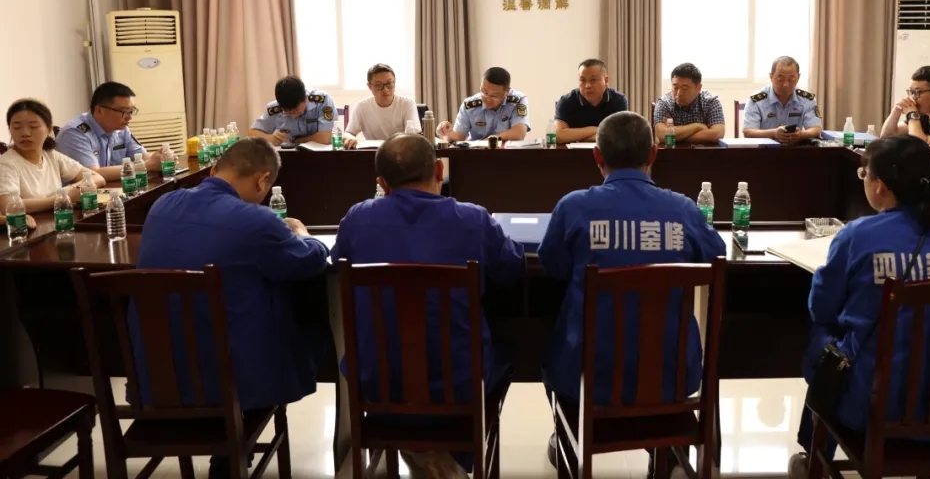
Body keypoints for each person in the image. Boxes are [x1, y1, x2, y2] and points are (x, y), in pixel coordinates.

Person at [538, 111, 726, 474]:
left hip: (590, 377)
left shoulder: (574, 206)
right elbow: (715, 256)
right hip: (672, 377)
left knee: (551, 345)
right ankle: (666, 449)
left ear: (597, 155)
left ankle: (569, 436)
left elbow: (554, 266)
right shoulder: (683, 209)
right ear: (653, 153)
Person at [132, 138, 330, 479]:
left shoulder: (163, 204)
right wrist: (301, 232)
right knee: (298, 312)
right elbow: (307, 262)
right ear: (262, 181)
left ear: (214, 170)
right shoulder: (256, 220)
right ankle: (231, 454)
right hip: (230, 383)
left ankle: (227, 456)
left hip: (159, 377)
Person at [332, 133, 525, 478]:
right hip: (458, 388)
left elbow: (336, 262)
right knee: (511, 345)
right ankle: (452, 453)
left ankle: (413, 449)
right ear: (439, 170)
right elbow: (512, 268)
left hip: (377, 386)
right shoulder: (473, 219)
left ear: (382, 184)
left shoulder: (357, 219)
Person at [788, 134, 930, 478]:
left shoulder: (857, 235)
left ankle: (814, 455)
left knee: (823, 338)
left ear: (880, 186)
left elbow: (822, 309)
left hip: (872, 406)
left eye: (865, 173)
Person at [0, 99, 105, 225]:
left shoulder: (50, 155)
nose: (25, 133)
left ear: (48, 129)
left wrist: (72, 189)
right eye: (17, 127)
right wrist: (58, 199)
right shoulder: (6, 163)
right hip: (29, 228)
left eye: (33, 126)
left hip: (58, 222)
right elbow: (8, 206)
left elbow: (98, 178)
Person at [56, 81, 161, 180]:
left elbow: (142, 156)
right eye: (124, 111)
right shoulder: (75, 133)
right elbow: (92, 174)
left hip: (114, 189)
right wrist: (145, 166)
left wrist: (160, 157)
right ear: (99, 111)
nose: (129, 117)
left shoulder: (121, 129)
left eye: (131, 111)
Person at [879, 65, 930, 151]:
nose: (912, 97)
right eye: (911, 92)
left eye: (917, 92)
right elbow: (886, 137)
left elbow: (921, 149)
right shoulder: (924, 115)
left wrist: (912, 115)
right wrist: (896, 110)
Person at [742, 56, 822, 145]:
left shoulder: (806, 99)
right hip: (765, 150)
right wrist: (774, 133)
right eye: (781, 79)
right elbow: (748, 132)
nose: (786, 85)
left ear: (798, 77)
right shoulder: (756, 100)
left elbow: (816, 129)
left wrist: (800, 135)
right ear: (771, 76)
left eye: (791, 79)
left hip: (795, 149)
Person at [437, 67, 529, 143]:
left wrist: (489, 141)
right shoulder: (469, 105)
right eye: (484, 92)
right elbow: (458, 138)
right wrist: (447, 133)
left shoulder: (518, 100)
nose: (488, 98)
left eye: (495, 95)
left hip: (507, 155)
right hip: (476, 155)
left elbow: (519, 133)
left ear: (507, 92)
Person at [342, 63, 421, 148]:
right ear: (369, 86)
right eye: (378, 85)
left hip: (400, 152)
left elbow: (415, 137)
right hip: (373, 153)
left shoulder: (407, 104)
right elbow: (348, 133)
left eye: (389, 83)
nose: (385, 89)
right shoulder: (362, 107)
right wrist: (350, 138)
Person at [553, 59, 629, 143]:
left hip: (608, 151)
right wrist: (595, 129)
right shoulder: (566, 101)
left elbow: (620, 135)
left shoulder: (618, 100)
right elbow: (557, 135)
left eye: (593, 80)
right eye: (582, 80)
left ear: (606, 80)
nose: (587, 85)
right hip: (573, 151)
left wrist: (580, 137)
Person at [249, 76, 337, 146]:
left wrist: (297, 141)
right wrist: (270, 138)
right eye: (288, 113)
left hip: (320, 155)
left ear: (305, 99)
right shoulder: (275, 109)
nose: (293, 116)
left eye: (296, 110)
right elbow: (252, 134)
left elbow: (326, 137)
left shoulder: (322, 101)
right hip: (289, 156)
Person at [652, 63, 725, 144]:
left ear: (698, 88)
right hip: (672, 152)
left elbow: (717, 134)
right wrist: (697, 126)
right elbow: (662, 135)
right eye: (675, 87)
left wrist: (677, 135)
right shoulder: (664, 103)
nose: (679, 93)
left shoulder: (711, 101)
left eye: (685, 88)